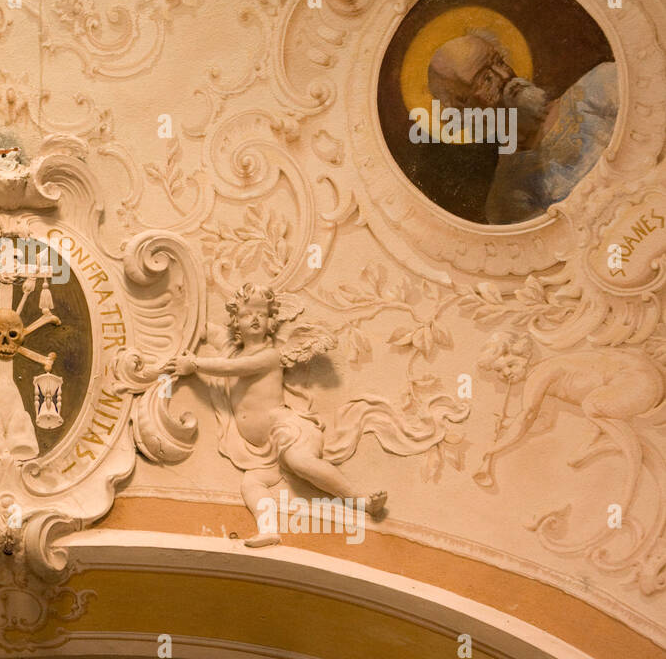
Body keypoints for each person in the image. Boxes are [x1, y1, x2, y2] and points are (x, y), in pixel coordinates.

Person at [164, 284, 386, 546]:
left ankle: (361, 501)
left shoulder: (269, 356)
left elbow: (234, 368)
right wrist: (177, 306)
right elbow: (203, 330)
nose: (255, 318)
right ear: (236, 322)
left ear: (271, 321)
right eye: (247, 315)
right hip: (261, 449)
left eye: (261, 314)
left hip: (287, 431)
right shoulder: (232, 348)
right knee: (250, 484)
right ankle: (268, 529)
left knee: (300, 462)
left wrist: (195, 364)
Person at [427, 33, 618, 224]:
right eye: (486, 79)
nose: (505, 76)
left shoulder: (601, 84)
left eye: (500, 62)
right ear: (463, 106)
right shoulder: (507, 199)